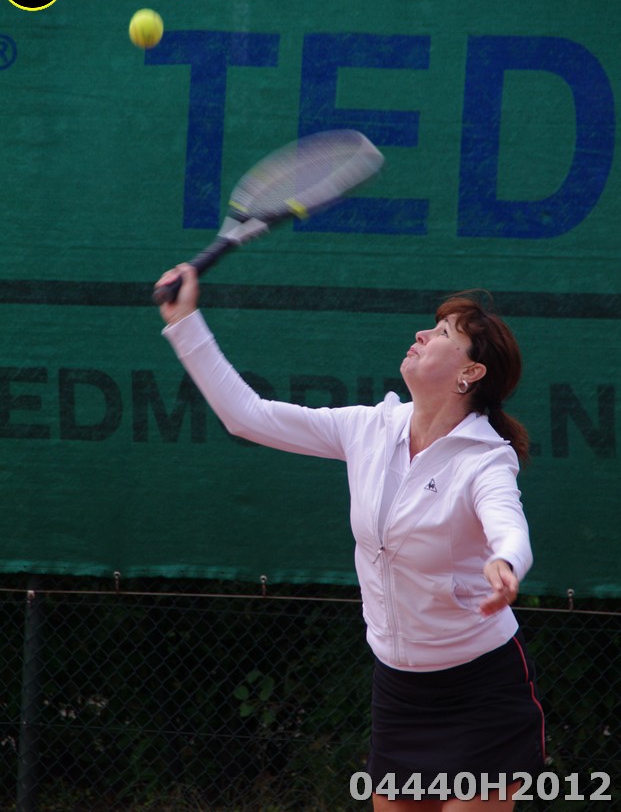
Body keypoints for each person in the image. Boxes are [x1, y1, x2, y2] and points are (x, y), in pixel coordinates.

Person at [155, 264, 545, 810]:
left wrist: (506, 562)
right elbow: (247, 416)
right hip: (399, 691)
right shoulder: (368, 428)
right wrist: (184, 322)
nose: (421, 334)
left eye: (441, 333)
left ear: (470, 372)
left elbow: (508, 523)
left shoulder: (485, 459)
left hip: (481, 690)